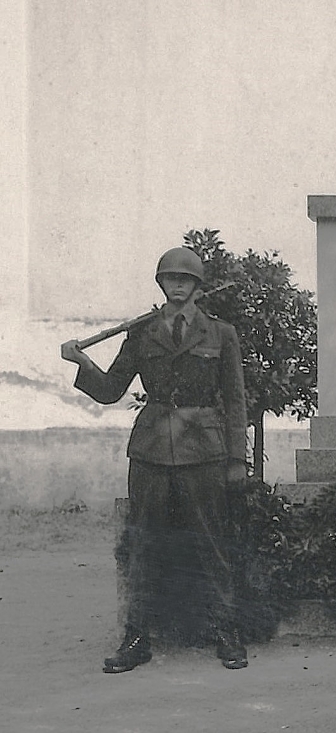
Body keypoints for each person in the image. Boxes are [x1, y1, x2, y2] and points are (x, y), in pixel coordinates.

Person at [61, 246, 250, 673]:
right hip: (150, 452)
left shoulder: (222, 334)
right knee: (145, 544)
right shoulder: (142, 334)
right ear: (161, 284)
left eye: (186, 279)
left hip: (204, 450)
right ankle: (137, 637)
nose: (178, 285)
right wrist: (80, 360)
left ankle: (227, 632)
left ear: (198, 286)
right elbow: (111, 389)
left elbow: (235, 401)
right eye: (170, 278)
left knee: (212, 543)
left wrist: (237, 459)